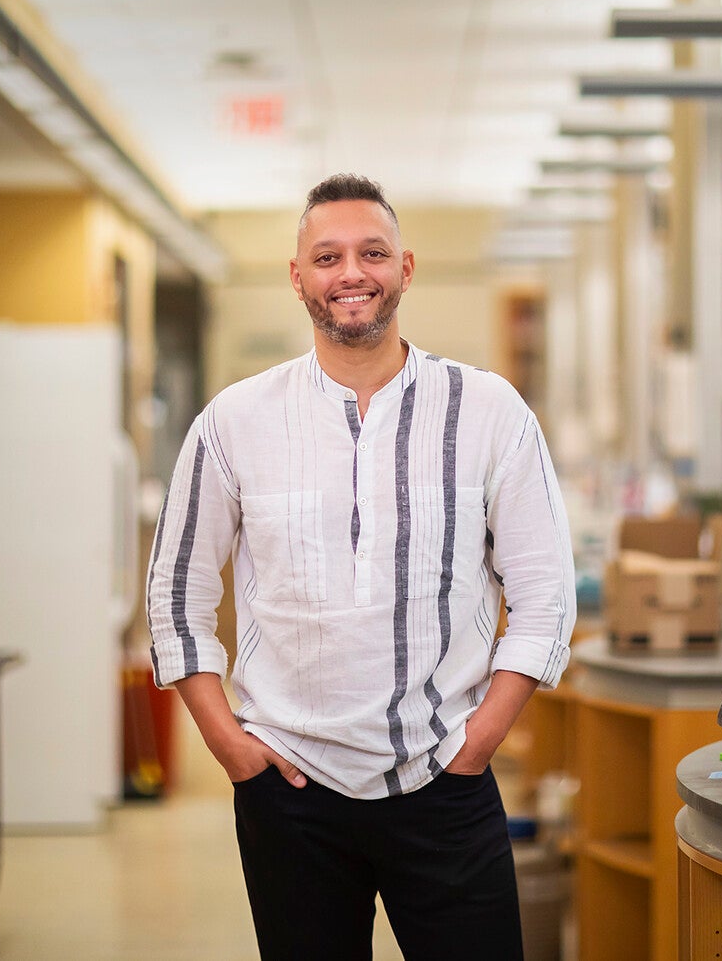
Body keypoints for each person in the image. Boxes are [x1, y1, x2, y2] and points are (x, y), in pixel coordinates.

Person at [145, 173, 576, 960]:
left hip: (445, 777)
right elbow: (177, 600)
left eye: (372, 253)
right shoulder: (235, 422)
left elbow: (545, 597)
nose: (352, 273)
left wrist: (481, 738)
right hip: (289, 791)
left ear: (405, 268)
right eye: (328, 256)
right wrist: (230, 747)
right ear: (298, 276)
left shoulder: (487, 411)